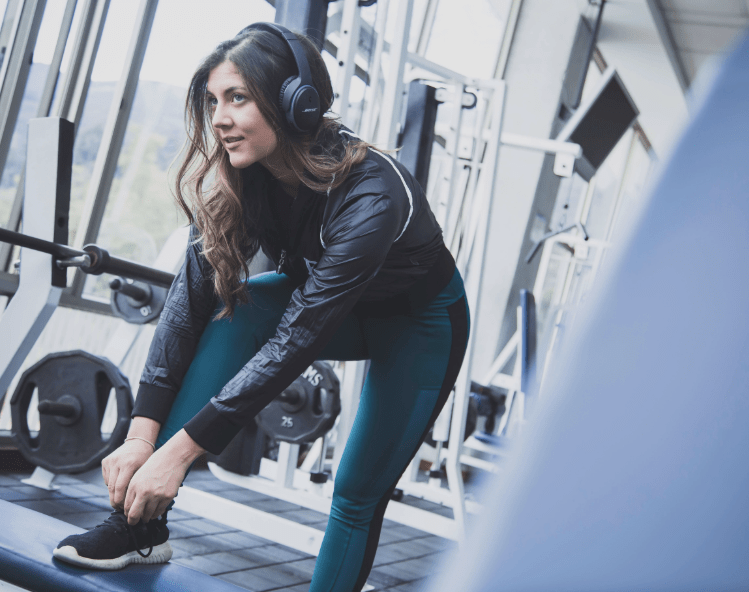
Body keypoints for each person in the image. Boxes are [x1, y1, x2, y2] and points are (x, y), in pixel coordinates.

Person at [52, 22, 469, 592]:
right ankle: (138, 531)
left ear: (296, 105)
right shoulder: (244, 175)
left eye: (238, 98)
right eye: (213, 101)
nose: (219, 118)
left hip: (420, 325)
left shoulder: (373, 193)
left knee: (355, 492)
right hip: (326, 310)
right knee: (236, 308)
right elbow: (186, 307)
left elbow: (299, 337)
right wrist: (141, 437)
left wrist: (179, 456)